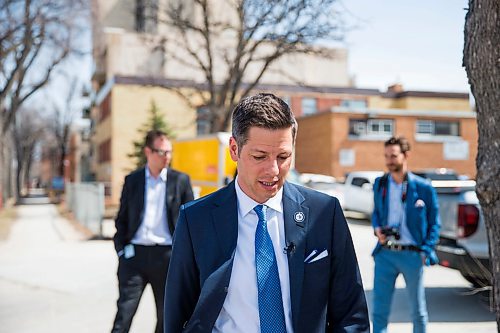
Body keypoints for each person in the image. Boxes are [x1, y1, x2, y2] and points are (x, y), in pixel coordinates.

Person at [164, 93, 369, 333]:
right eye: (259, 156)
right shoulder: (195, 220)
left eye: (283, 157)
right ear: (234, 149)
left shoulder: (325, 213)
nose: (273, 170)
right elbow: (177, 316)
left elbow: (352, 315)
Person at [111, 130, 194, 333]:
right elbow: (121, 219)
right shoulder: (133, 180)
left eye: (169, 152)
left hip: (167, 258)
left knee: (167, 318)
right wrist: (122, 250)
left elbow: (191, 222)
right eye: (161, 152)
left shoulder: (180, 181)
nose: (167, 157)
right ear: (148, 151)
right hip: (135, 257)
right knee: (124, 314)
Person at [371, 136, 440, 333]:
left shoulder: (424, 187)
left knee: (418, 312)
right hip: (385, 254)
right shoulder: (380, 184)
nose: (389, 161)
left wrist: (425, 251)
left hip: (413, 255)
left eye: (393, 156)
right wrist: (377, 229)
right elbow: (376, 213)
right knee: (379, 312)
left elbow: (435, 223)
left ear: (405, 155)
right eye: (386, 156)